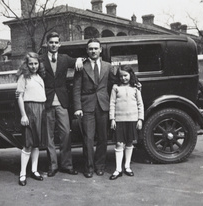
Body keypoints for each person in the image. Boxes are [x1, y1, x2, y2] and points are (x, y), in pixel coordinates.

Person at [73, 38, 116, 178]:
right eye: (90, 49)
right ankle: (89, 168)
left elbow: (118, 80)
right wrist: (78, 107)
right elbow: (76, 88)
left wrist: (135, 84)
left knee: (103, 138)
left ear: (100, 50)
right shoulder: (81, 66)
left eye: (96, 48)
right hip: (87, 107)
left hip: (103, 106)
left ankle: (100, 166)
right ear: (87, 51)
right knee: (88, 139)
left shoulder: (107, 66)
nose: (93, 51)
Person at [41, 32, 83, 177]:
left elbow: (82, 60)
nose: (53, 45)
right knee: (49, 136)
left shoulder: (65, 58)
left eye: (56, 42)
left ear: (59, 44)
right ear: (47, 44)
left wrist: (78, 59)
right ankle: (53, 166)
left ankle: (67, 165)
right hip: (46, 103)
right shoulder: (40, 60)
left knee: (65, 134)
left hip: (62, 102)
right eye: (51, 42)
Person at [16, 52, 47, 186]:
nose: (34, 66)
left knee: (37, 143)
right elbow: (19, 97)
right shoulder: (23, 78)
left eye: (36, 63)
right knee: (28, 143)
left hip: (41, 109)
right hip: (29, 110)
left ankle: (34, 170)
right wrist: (23, 115)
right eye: (31, 64)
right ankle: (23, 173)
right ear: (26, 65)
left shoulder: (40, 77)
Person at [109, 65, 144, 180]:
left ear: (130, 75)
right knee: (119, 144)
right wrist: (112, 119)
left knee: (129, 143)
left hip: (132, 120)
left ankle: (127, 167)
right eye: (121, 76)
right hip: (119, 120)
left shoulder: (135, 88)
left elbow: (140, 104)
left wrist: (140, 119)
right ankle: (118, 169)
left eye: (126, 75)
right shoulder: (115, 87)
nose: (124, 78)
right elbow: (112, 103)